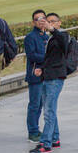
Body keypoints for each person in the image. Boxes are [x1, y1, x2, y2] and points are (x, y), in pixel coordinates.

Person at [30, 13, 69, 153]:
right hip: (48, 76)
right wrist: (41, 68)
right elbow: (51, 57)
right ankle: (54, 139)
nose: (50, 23)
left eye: (53, 22)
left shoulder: (62, 35)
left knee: (48, 112)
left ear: (59, 23)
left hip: (55, 78)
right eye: (48, 21)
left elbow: (64, 42)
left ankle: (45, 144)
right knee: (50, 110)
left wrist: (51, 29)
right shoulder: (51, 38)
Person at [23, 9, 47, 142]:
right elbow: (32, 55)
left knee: (41, 104)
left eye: (43, 18)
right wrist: (48, 58)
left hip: (45, 75)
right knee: (34, 104)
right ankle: (32, 131)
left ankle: (36, 129)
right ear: (33, 22)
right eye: (38, 19)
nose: (41, 21)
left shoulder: (46, 36)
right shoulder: (30, 37)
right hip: (35, 75)